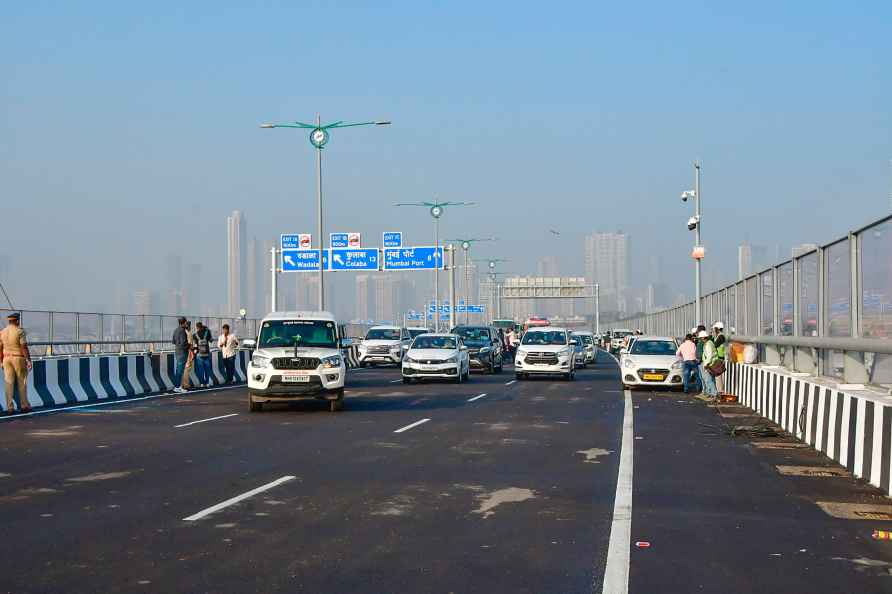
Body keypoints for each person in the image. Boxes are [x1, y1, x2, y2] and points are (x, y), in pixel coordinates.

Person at [0, 312, 32, 414]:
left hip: (6, 358)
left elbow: (0, 348)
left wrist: (1, 361)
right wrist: (28, 360)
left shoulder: (2, 332)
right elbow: (24, 347)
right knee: (22, 383)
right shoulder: (20, 331)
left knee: (8, 383)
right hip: (18, 358)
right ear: (17, 321)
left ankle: (10, 407)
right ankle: (24, 406)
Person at [171, 317, 189, 394]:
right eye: (186, 323)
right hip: (183, 353)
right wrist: (189, 345)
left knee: (178, 370)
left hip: (177, 352)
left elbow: (173, 341)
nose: (186, 324)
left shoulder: (175, 330)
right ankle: (178, 387)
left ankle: (177, 386)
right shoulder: (182, 331)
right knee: (180, 371)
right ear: (184, 323)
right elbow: (183, 344)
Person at [698, 330, 718, 400]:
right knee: (710, 379)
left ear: (703, 337)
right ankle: (711, 393)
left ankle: (714, 394)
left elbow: (709, 355)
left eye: (701, 338)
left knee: (708, 379)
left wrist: (706, 364)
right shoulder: (708, 343)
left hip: (709, 364)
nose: (700, 339)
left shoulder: (708, 344)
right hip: (710, 363)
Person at [193, 322, 214, 388]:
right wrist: (208, 331)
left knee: (200, 370)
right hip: (207, 354)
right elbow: (211, 340)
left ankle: (202, 383)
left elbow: (195, 345)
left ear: (197, 327)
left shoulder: (195, 335)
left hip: (199, 354)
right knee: (207, 369)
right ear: (202, 326)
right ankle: (207, 383)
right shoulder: (207, 333)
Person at [712, 322, 727, 395]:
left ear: (717, 328)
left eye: (714, 329)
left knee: (718, 375)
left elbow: (714, 345)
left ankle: (720, 392)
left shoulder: (720, 337)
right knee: (718, 375)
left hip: (720, 358)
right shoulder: (719, 336)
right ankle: (720, 391)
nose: (714, 330)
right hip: (718, 358)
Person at [181, 320, 195, 391]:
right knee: (187, 368)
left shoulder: (184, 332)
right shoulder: (188, 333)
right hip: (188, 352)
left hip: (183, 352)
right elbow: (190, 345)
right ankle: (185, 384)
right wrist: (192, 351)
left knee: (185, 368)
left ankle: (183, 384)